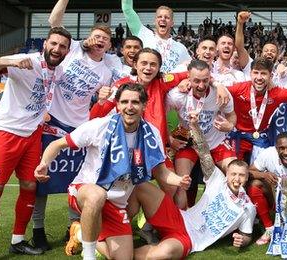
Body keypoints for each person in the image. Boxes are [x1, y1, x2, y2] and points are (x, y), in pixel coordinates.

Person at [34, 83, 191, 260]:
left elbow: (161, 172)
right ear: (117, 104)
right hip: (86, 190)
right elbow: (57, 144)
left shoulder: (151, 132)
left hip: (117, 203)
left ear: (144, 105)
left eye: (135, 102)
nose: (129, 107)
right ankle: (88, 255)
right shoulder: (100, 126)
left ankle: (79, 233)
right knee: (97, 196)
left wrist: (179, 180)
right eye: (124, 102)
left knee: (123, 257)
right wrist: (44, 163)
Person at [0, 26, 72, 259]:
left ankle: (17, 241)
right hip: (6, 133)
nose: (57, 49)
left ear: (67, 51)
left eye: (62, 46)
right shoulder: (25, 60)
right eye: (53, 44)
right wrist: (13, 63)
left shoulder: (57, 72)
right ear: (45, 44)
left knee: (30, 188)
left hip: (33, 135)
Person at [33, 2, 118, 249]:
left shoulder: (108, 68)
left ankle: (75, 227)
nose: (100, 40)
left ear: (110, 46)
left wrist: (105, 96)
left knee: (78, 180)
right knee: (43, 177)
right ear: (89, 38)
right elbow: (55, 22)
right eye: (97, 36)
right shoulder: (73, 51)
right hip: (52, 122)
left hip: (80, 128)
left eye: (105, 38)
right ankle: (38, 231)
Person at [129, 110, 256, 258]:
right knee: (140, 186)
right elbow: (204, 152)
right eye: (233, 174)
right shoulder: (218, 180)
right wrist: (194, 126)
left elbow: (247, 234)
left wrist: (243, 241)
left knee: (164, 253)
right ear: (227, 174)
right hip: (179, 217)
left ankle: (120, 253)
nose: (237, 179)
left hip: (190, 239)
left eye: (241, 175)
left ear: (247, 178)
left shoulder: (248, 208)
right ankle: (121, 230)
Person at [166, 59, 237, 208]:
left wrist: (229, 126)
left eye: (205, 80)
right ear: (188, 77)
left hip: (215, 140)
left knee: (235, 173)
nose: (201, 85)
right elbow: (160, 116)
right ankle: (184, 224)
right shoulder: (177, 95)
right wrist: (170, 138)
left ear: (210, 77)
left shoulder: (221, 93)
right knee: (181, 182)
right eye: (196, 81)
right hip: (188, 140)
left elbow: (232, 116)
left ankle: (231, 221)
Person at [121, 0, 191, 72]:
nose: (163, 19)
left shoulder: (180, 48)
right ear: (154, 21)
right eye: (159, 17)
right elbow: (127, 9)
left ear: (172, 23)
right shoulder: (144, 35)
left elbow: (191, 68)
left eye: (167, 17)